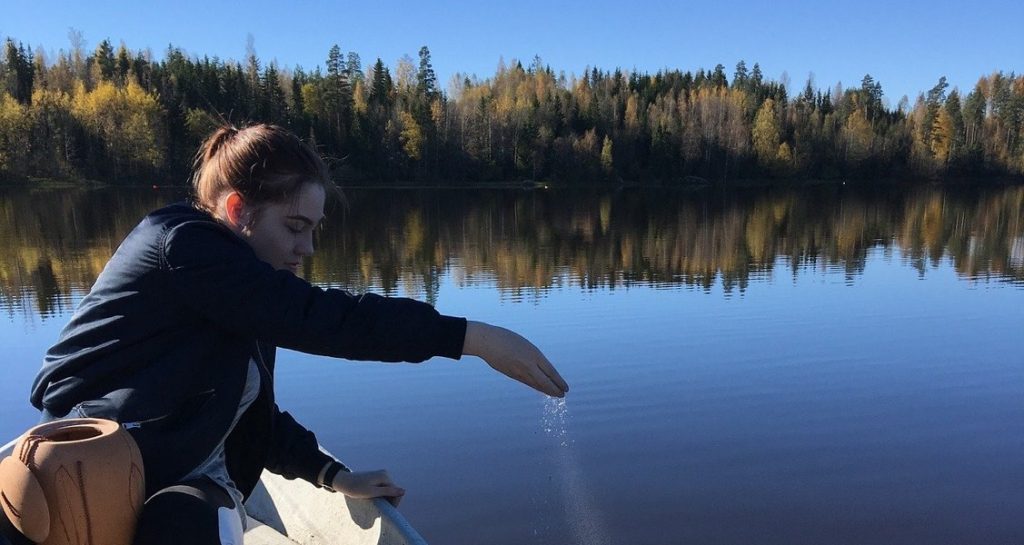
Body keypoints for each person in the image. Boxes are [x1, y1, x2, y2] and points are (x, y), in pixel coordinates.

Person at [6, 124, 568, 545]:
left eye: (314, 231)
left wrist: (332, 475)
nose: (308, 249)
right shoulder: (184, 246)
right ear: (236, 210)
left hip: (189, 486)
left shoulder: (246, 290)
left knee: (178, 521)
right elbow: (330, 319)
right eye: (295, 227)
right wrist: (471, 337)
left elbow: (246, 415)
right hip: (91, 471)